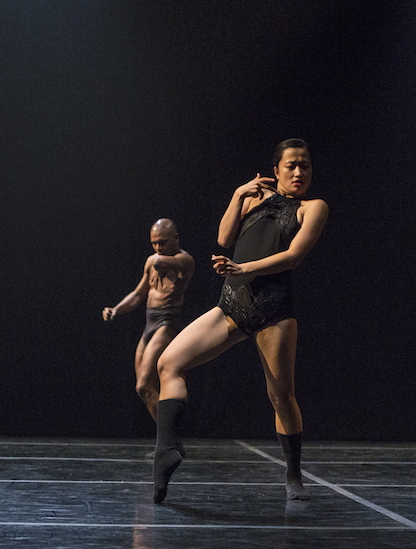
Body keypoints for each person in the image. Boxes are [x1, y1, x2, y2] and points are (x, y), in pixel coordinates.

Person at [152, 139, 328, 504]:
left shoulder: (313, 208)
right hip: (232, 304)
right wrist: (237, 194)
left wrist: (242, 268)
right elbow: (224, 237)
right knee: (168, 363)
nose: (299, 172)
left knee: (280, 396)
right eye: (291, 165)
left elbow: (294, 256)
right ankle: (166, 450)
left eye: (305, 166)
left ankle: (293, 473)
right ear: (275, 170)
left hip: (273, 310)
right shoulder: (251, 200)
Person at [102, 219, 194, 426]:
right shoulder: (152, 260)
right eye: (154, 243)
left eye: (163, 242)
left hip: (166, 323)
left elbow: (161, 262)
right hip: (149, 322)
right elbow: (137, 295)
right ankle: (169, 439)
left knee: (145, 382)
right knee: (142, 388)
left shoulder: (185, 260)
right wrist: (115, 309)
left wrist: (155, 258)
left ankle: (170, 441)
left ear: (176, 238)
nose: (158, 248)